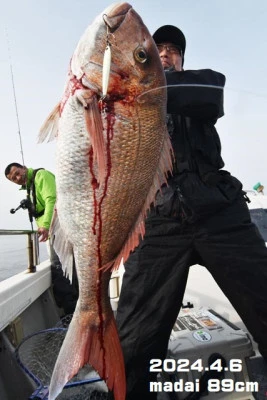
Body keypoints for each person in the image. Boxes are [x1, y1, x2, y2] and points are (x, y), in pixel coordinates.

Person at [116, 25, 267, 399]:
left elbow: (212, 93)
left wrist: (147, 84)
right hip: (158, 224)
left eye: (172, 50)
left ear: (182, 59)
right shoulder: (128, 102)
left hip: (220, 213)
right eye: (156, 49)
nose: (164, 53)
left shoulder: (198, 88)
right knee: (134, 341)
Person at [5, 162, 78, 315]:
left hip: (59, 225)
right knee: (60, 266)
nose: (18, 178)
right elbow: (42, 207)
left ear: (24, 168)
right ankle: (70, 306)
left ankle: (72, 307)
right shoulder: (29, 187)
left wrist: (44, 225)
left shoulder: (41, 176)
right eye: (13, 179)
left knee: (62, 265)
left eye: (18, 173)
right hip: (51, 230)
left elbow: (52, 199)